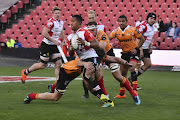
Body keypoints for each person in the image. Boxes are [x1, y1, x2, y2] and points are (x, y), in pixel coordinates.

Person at [24, 15, 115, 107]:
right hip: (76, 65)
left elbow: (96, 44)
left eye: (73, 21)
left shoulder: (85, 32)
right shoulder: (72, 36)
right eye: (70, 21)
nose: (71, 23)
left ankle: (106, 99)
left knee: (87, 77)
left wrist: (85, 43)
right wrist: (72, 47)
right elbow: (71, 55)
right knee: (55, 97)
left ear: (79, 23)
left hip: (90, 59)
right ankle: (32, 96)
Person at [86, 22, 141, 104]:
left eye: (93, 30)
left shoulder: (102, 34)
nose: (91, 33)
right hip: (96, 56)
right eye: (89, 31)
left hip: (108, 54)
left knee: (117, 75)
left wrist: (87, 43)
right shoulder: (87, 35)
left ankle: (133, 94)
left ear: (97, 29)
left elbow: (101, 46)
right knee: (97, 74)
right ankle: (105, 94)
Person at [21, 6, 66, 83]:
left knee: (58, 64)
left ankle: (58, 84)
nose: (57, 15)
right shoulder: (50, 22)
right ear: (52, 14)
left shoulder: (61, 22)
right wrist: (54, 41)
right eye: (56, 13)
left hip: (55, 46)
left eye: (58, 13)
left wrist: (64, 39)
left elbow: (61, 32)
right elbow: (44, 33)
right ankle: (25, 72)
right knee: (42, 65)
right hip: (47, 46)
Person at [108, 15, 145, 98]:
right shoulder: (116, 31)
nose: (121, 23)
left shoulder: (132, 29)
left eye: (123, 21)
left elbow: (142, 39)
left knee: (132, 68)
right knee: (123, 74)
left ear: (126, 21)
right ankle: (122, 94)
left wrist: (137, 48)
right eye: (119, 21)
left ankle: (134, 90)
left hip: (134, 52)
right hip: (124, 54)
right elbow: (107, 39)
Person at [81, 10, 107, 98]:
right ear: (87, 19)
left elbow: (103, 42)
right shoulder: (84, 29)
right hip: (87, 54)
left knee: (97, 75)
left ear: (96, 17)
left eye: (92, 17)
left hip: (98, 53)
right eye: (89, 18)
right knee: (85, 75)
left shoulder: (102, 28)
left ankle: (103, 94)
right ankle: (86, 93)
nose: (91, 19)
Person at [128, 12, 156, 87]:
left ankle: (132, 78)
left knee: (148, 64)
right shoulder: (143, 26)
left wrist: (150, 47)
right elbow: (137, 38)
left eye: (154, 19)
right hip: (139, 47)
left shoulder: (152, 27)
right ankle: (133, 85)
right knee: (135, 65)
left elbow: (149, 38)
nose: (152, 20)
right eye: (151, 18)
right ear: (147, 19)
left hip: (145, 48)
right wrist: (139, 49)